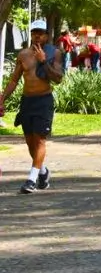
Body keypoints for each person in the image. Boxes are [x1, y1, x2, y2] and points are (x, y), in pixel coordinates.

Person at [0, 19, 64, 194]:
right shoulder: (23, 55)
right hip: (27, 102)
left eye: (40, 33)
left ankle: (31, 180)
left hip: (44, 101)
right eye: (34, 33)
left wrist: (43, 61)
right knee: (30, 143)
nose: (37, 36)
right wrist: (2, 98)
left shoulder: (54, 53)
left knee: (40, 139)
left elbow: (58, 78)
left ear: (46, 36)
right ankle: (43, 172)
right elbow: (14, 80)